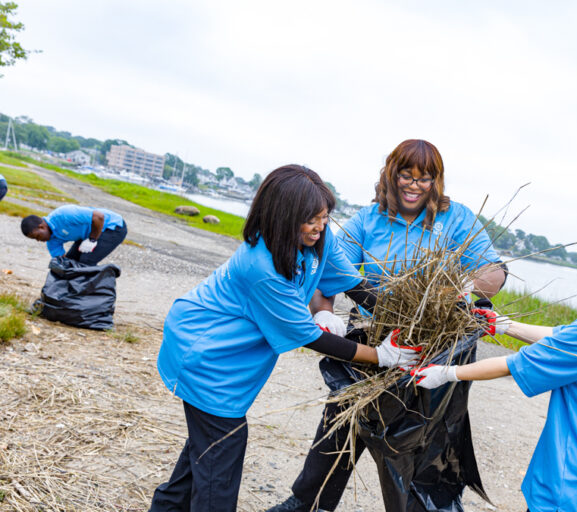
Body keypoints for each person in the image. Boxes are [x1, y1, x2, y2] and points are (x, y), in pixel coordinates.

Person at [148, 165, 421, 512]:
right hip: (206, 354)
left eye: (324, 217)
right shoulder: (259, 266)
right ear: (284, 216)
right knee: (222, 456)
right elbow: (310, 336)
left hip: (226, 353)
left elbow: (355, 285)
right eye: (312, 219)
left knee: (206, 453)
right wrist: (380, 356)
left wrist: (409, 318)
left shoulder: (320, 240)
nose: (320, 226)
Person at [270, 140, 506, 512]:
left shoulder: (455, 217)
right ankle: (306, 503)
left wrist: (466, 286)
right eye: (406, 175)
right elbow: (328, 270)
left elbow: (495, 270)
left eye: (424, 178)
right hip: (377, 333)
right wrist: (323, 312)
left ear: (436, 181)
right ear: (391, 174)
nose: (413, 185)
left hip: (436, 344)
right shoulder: (368, 219)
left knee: (422, 439)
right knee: (344, 417)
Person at [413, 207, 577, 512]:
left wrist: (447, 373)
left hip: (571, 483)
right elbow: (569, 338)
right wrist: (503, 325)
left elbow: (514, 365)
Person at [20, 204, 128, 265]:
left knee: (86, 262)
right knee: (71, 262)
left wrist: (92, 240)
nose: (39, 240)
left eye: (37, 236)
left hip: (112, 226)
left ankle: (87, 298)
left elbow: (98, 217)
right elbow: (62, 262)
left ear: (42, 226)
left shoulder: (64, 214)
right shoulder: (51, 241)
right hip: (89, 233)